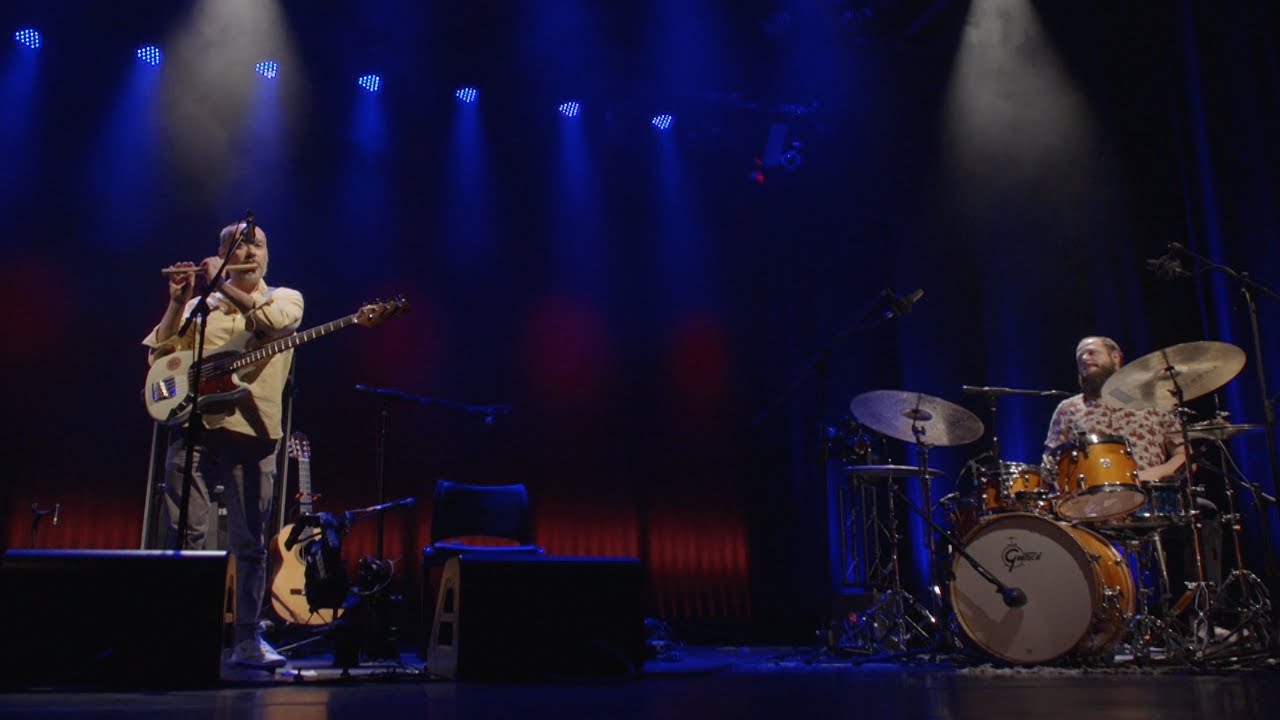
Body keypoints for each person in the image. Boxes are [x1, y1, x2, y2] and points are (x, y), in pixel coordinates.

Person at [143, 220, 304, 669]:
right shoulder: (200, 306)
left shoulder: (285, 298)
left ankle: (248, 640)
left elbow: (272, 323)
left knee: (249, 541)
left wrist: (224, 283)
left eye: (257, 245)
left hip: (252, 437)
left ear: (267, 256)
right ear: (222, 253)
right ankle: (184, 633)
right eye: (239, 245)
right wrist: (177, 305)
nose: (250, 251)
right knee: (184, 534)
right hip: (194, 429)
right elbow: (162, 358)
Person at [1041, 336, 1221, 590]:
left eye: (1092, 353)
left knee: (1205, 511)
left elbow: (1184, 455)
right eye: (1080, 356)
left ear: (1116, 357)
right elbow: (1050, 464)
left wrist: (1157, 473)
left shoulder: (1154, 401)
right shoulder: (1069, 408)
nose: (1084, 358)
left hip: (1154, 498)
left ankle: (1201, 609)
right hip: (1096, 505)